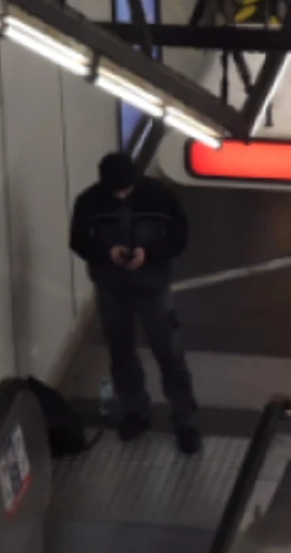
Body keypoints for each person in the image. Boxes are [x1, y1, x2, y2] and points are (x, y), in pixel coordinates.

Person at [70, 151, 200, 453]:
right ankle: (135, 411)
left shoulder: (159, 197)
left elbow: (179, 236)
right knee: (121, 352)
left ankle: (184, 418)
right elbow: (78, 240)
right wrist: (107, 253)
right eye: (115, 191)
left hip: (152, 287)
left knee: (168, 352)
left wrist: (149, 254)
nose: (121, 195)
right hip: (112, 289)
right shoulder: (89, 202)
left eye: (125, 190)